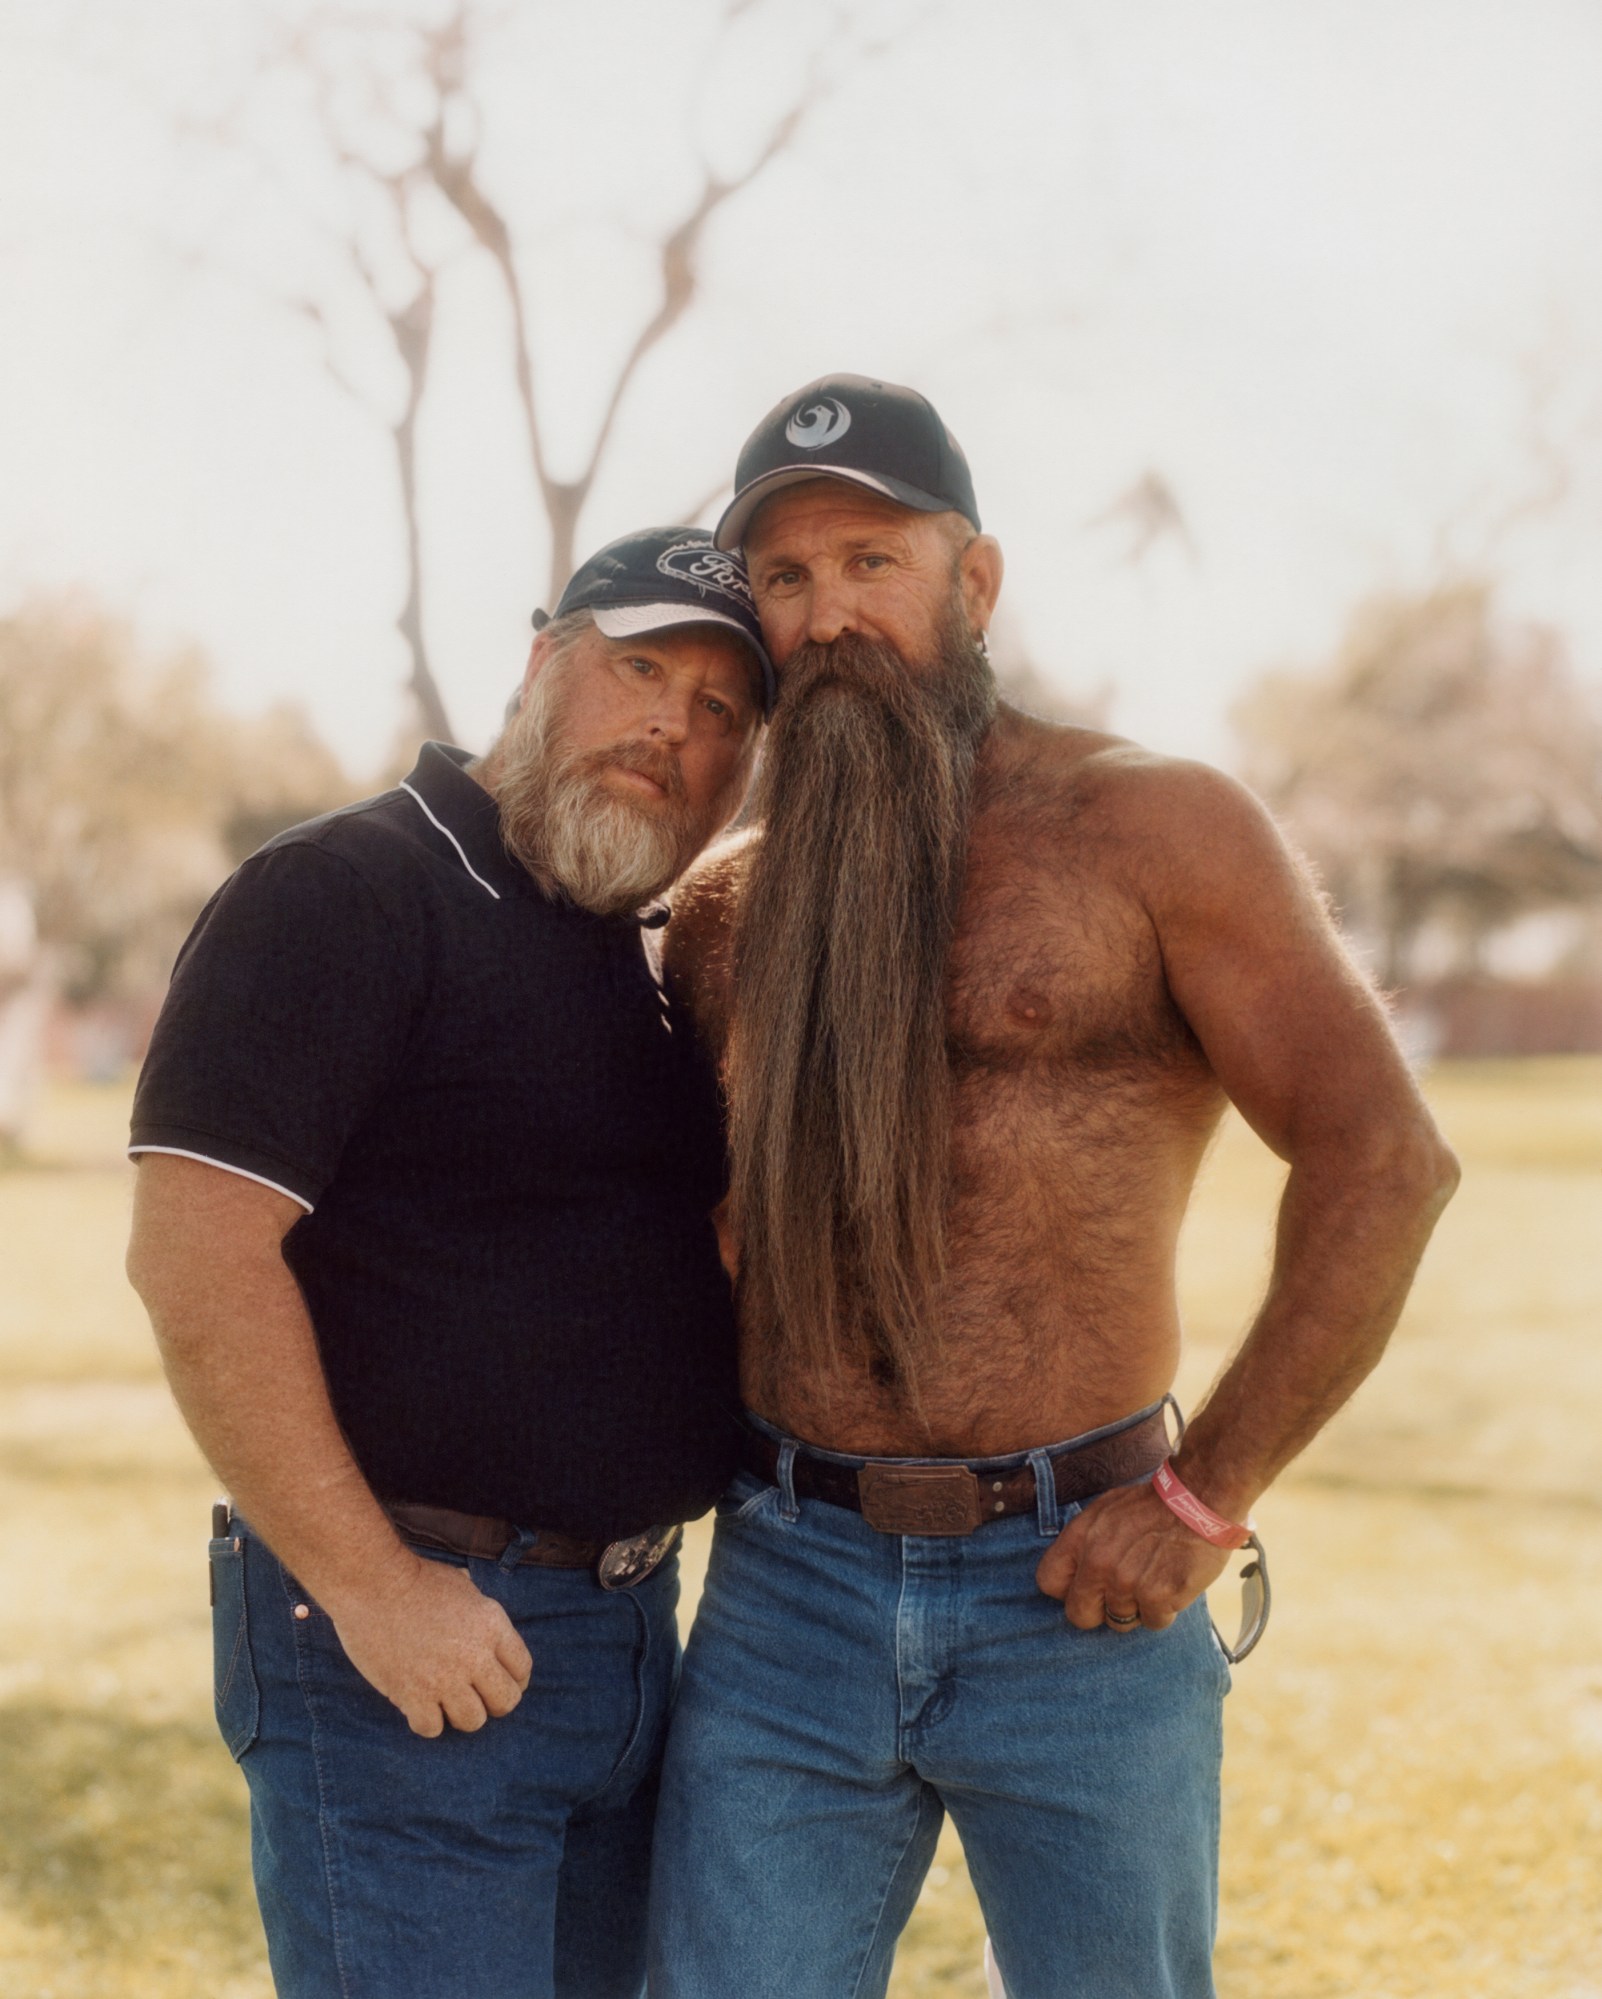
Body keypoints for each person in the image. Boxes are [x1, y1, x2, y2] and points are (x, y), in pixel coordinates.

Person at [646, 377, 1461, 1999]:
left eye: (871, 561)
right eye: (788, 584)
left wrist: (1201, 1497)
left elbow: (1385, 1161)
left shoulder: (1151, 827)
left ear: (977, 580)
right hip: (786, 1585)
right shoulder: (726, 906)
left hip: (1075, 1588)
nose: (827, 619)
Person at [124, 526, 771, 1999]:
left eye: (723, 708)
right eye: (641, 667)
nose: (674, 721)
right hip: (414, 1647)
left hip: (627, 1645)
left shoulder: (625, 947)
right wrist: (376, 1590)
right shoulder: (343, 891)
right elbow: (196, 1259)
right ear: (544, 664)